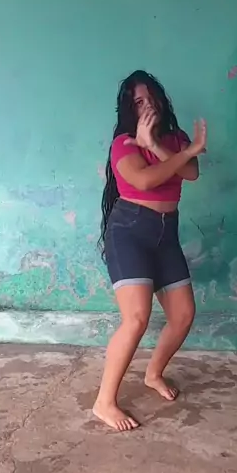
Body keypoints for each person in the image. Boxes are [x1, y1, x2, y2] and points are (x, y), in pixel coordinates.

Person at [94, 70, 207, 431]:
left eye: (150, 98)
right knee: (137, 318)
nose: (146, 106)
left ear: (161, 98)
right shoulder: (124, 143)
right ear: (129, 109)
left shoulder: (175, 138)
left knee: (184, 314)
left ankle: (153, 373)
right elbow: (143, 180)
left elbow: (191, 172)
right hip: (129, 232)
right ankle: (103, 402)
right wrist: (182, 152)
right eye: (137, 102)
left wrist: (162, 146)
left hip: (165, 234)